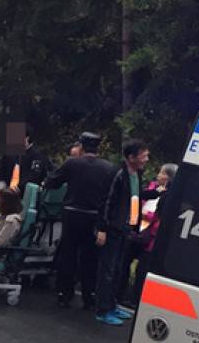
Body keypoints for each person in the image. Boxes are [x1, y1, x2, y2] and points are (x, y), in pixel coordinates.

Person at [44, 132, 117, 310]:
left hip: (72, 213)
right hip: (94, 216)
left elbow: (52, 182)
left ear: (82, 146)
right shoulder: (109, 168)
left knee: (67, 254)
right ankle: (88, 295)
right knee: (90, 257)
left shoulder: (72, 163)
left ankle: (64, 293)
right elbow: (110, 198)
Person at [94, 139, 150, 326]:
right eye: (143, 155)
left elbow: (137, 195)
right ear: (131, 157)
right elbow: (106, 202)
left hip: (127, 228)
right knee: (108, 269)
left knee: (118, 268)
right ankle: (102, 309)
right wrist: (102, 228)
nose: (146, 159)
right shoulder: (118, 175)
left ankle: (112, 304)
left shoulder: (137, 174)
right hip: (113, 228)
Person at [125, 162, 178, 308]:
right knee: (129, 263)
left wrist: (147, 216)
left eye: (161, 173)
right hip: (139, 233)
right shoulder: (153, 189)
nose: (158, 175)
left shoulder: (169, 196)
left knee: (143, 269)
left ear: (169, 177)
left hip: (151, 238)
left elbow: (158, 217)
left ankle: (136, 300)